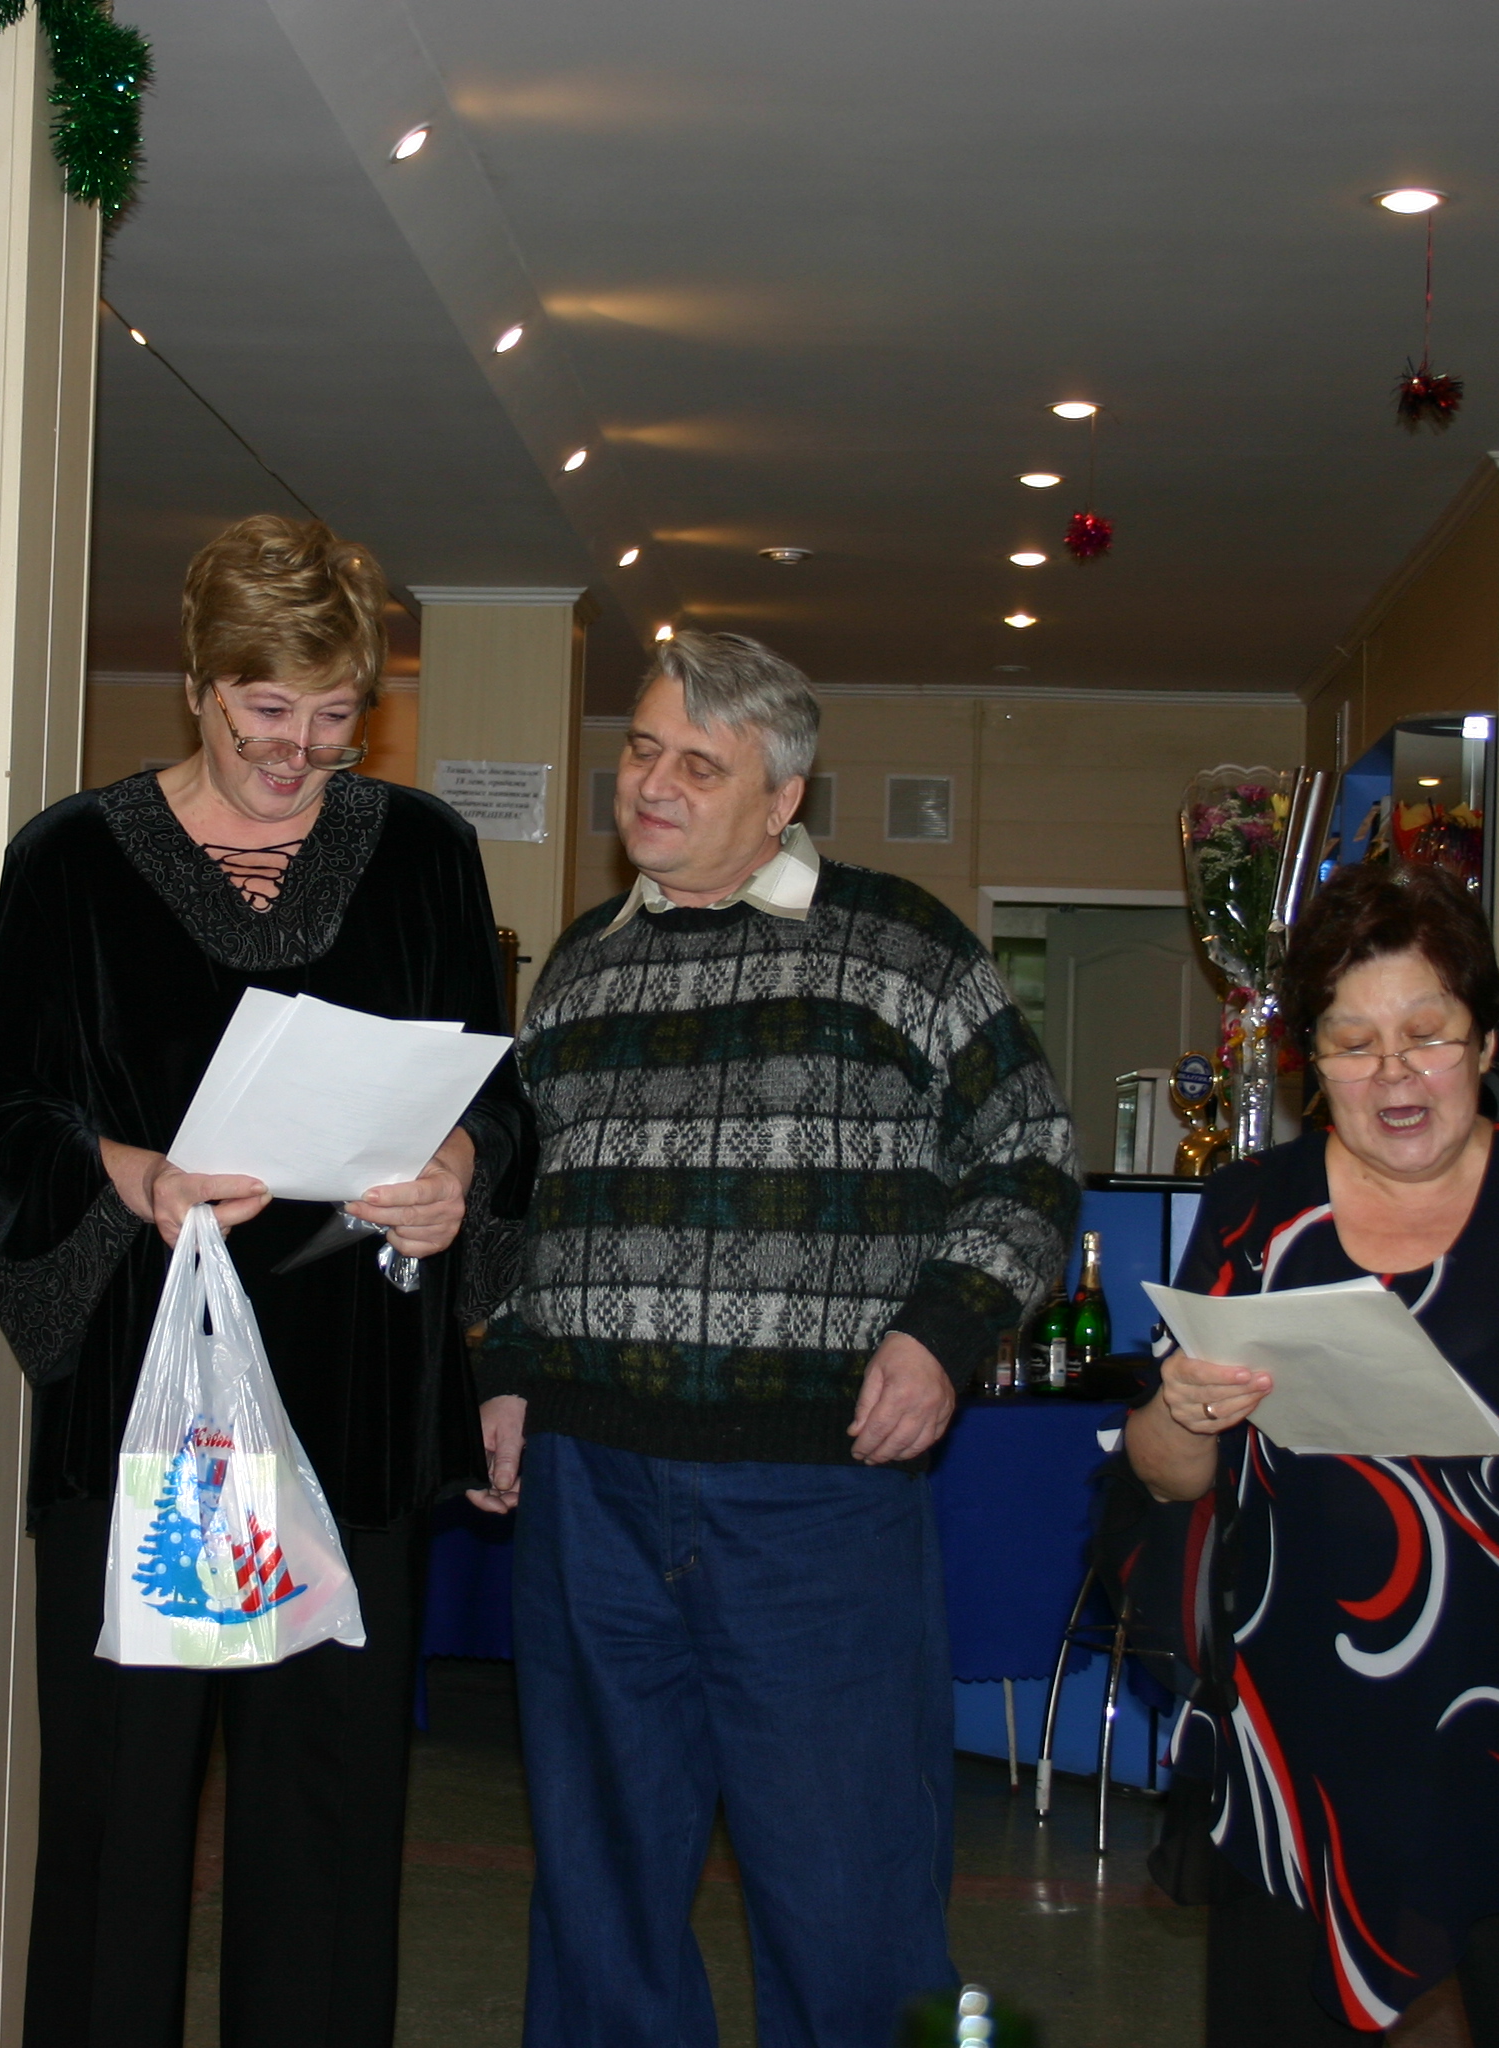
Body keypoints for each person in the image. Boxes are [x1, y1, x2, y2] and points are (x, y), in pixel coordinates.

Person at [0, 513, 530, 2048]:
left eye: (337, 716)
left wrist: (459, 1170)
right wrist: (131, 1173)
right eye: (268, 710)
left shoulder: (424, 853)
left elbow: (499, 1096)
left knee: (328, 1822)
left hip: (350, 1402)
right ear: (200, 684)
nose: (301, 751)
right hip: (153, 1410)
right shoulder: (73, 861)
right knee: (121, 1812)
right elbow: (4, 1109)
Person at [473, 630, 1082, 2046]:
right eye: (642, 748)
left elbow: (1031, 1156)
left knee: (848, 1893)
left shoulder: (899, 942)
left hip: (815, 1497)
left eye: (701, 764)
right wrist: (505, 1368)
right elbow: (518, 1198)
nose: (653, 783)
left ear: (784, 798)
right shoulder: (578, 968)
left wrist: (942, 1333)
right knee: (598, 1894)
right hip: (589, 1491)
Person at [1124, 859, 1499, 2045]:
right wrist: (1183, 1409)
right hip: (1301, 1735)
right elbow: (1162, 1474)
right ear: (1310, 1063)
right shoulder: (1254, 1206)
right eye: (1353, 1043)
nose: (1394, 1071)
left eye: (1427, 1033)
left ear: (1487, 1040)